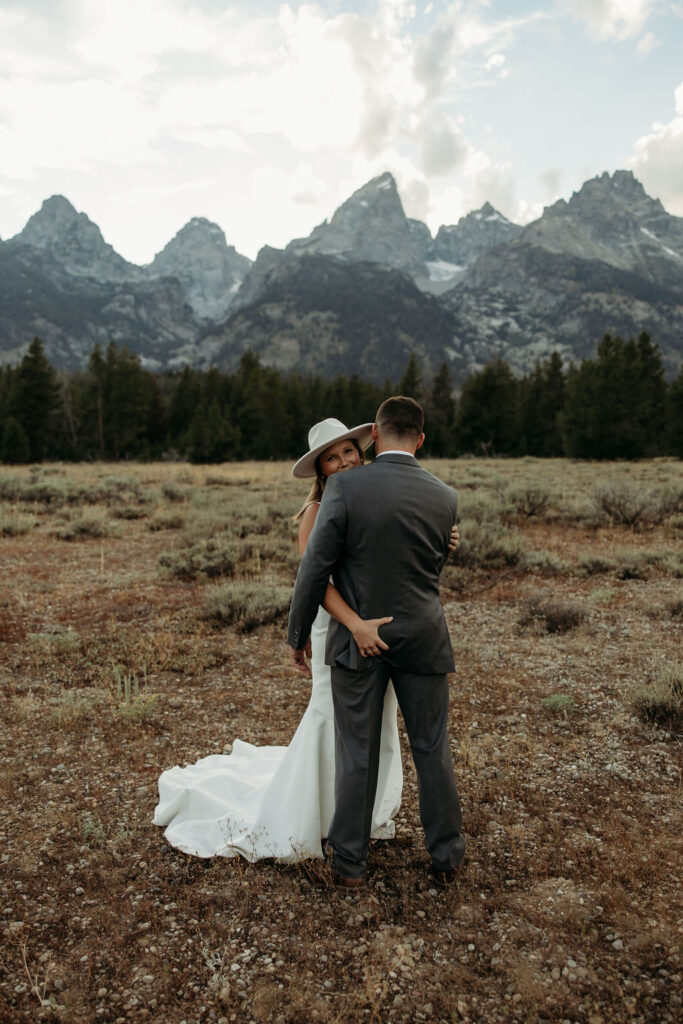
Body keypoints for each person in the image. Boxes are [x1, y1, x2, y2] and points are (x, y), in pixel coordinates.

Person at [153, 418, 411, 861]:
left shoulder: (377, 495)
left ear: (361, 452)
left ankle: (365, 812)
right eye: (332, 457)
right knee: (330, 714)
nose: (345, 460)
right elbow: (317, 582)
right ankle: (317, 814)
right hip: (338, 624)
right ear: (322, 471)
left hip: (378, 625)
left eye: (349, 450)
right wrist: (349, 624)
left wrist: (447, 537)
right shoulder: (315, 512)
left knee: (383, 715)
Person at [288, 396, 465, 888]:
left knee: (357, 751)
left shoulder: (345, 488)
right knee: (432, 747)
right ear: (421, 440)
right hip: (423, 637)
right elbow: (424, 573)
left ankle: (349, 864)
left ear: (377, 437)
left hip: (359, 641)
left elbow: (313, 573)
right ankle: (447, 855)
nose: (344, 460)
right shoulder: (445, 495)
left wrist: (296, 635)